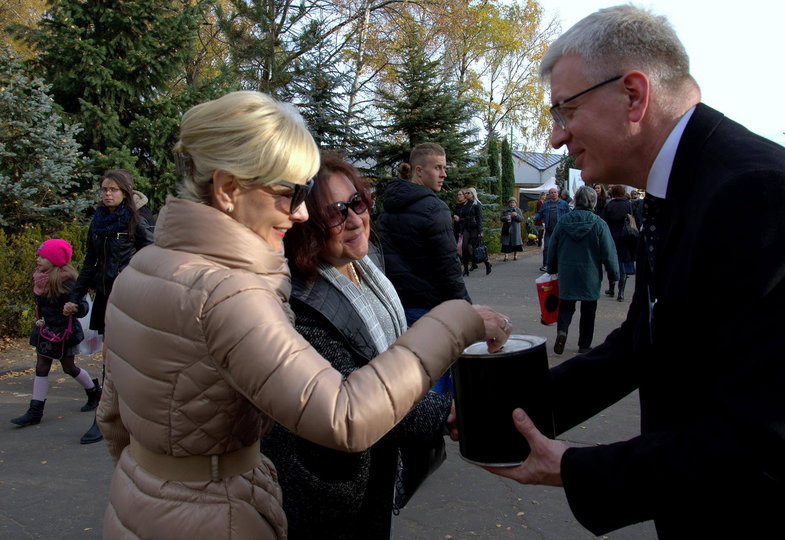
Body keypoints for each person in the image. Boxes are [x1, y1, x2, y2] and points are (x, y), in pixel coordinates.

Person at [479, 5, 785, 538]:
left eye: (565, 111)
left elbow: (768, 446)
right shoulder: (689, 185)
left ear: (633, 95)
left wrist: (574, 469)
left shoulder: (762, 196)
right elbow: (643, 343)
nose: (557, 138)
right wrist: (508, 414)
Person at [96, 91, 512, 540]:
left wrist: (153, 483)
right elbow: (345, 414)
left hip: (137, 503)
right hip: (217, 517)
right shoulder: (228, 291)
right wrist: (456, 321)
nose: (298, 212)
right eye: (287, 194)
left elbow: (112, 416)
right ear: (228, 189)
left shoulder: (141, 267)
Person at [262, 153, 453, 539]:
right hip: (330, 485)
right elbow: (357, 395)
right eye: (334, 213)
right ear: (306, 228)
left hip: (375, 466)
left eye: (357, 202)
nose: (354, 219)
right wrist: (449, 412)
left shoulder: (367, 267)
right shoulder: (299, 302)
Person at [64, 169, 154, 445]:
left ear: (125, 192)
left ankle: (131, 416)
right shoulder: (99, 220)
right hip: (105, 297)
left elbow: (153, 253)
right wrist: (75, 296)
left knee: (127, 357)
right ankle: (106, 418)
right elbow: (90, 261)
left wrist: (135, 278)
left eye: (113, 189)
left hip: (129, 297)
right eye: (104, 189)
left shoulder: (136, 219)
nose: (107, 193)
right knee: (109, 359)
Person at [377, 143, 471, 325]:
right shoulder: (435, 209)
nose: (444, 174)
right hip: (427, 310)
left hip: (395, 308)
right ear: (418, 171)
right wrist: (466, 309)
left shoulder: (387, 206)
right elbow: (449, 266)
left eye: (444, 168)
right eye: (438, 168)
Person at [10, 239, 99, 427]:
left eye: (43, 257)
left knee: (69, 368)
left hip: (64, 332)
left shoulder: (67, 281)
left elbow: (82, 306)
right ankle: (35, 411)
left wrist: (74, 308)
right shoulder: (39, 278)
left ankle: (93, 391)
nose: (38, 260)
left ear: (56, 260)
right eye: (38, 256)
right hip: (45, 329)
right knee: (41, 367)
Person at [546, 186, 618, 355]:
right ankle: (584, 345)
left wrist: (551, 268)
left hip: (567, 272)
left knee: (566, 305)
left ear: (576, 200)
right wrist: (614, 275)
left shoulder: (563, 222)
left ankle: (562, 331)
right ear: (593, 201)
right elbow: (609, 252)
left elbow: (553, 247)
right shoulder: (599, 224)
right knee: (589, 310)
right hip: (590, 274)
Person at [602, 184, 635, 301]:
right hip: (626, 237)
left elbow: (604, 222)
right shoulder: (628, 204)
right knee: (623, 264)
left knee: (612, 262)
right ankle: (621, 292)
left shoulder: (609, 205)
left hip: (612, 236)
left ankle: (611, 289)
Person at [457, 187, 491, 276]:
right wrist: (461, 230)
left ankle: (487, 263)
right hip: (466, 229)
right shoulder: (465, 204)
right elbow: (463, 218)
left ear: (473, 194)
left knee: (477, 249)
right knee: (464, 247)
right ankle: (466, 269)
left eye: (468, 193)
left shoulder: (477, 204)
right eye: (466, 193)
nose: (466, 194)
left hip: (475, 229)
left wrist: (481, 231)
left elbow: (479, 219)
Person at [534, 186, 570, 271]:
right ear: (549, 194)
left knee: (561, 248)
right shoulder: (545, 205)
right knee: (547, 247)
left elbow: (569, 215)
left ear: (558, 194)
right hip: (549, 231)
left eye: (555, 192)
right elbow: (540, 214)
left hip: (560, 231)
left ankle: (561, 265)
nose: (553, 194)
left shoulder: (564, 204)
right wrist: (535, 217)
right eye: (551, 193)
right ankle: (546, 265)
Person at [500, 197, 524, 261]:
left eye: (513, 202)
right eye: (511, 202)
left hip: (515, 229)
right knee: (506, 243)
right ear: (509, 203)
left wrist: (516, 215)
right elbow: (501, 218)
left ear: (516, 203)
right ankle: (506, 256)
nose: (512, 203)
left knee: (516, 243)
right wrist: (505, 218)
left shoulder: (518, 210)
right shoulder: (505, 209)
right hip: (507, 228)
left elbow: (521, 219)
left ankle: (515, 256)